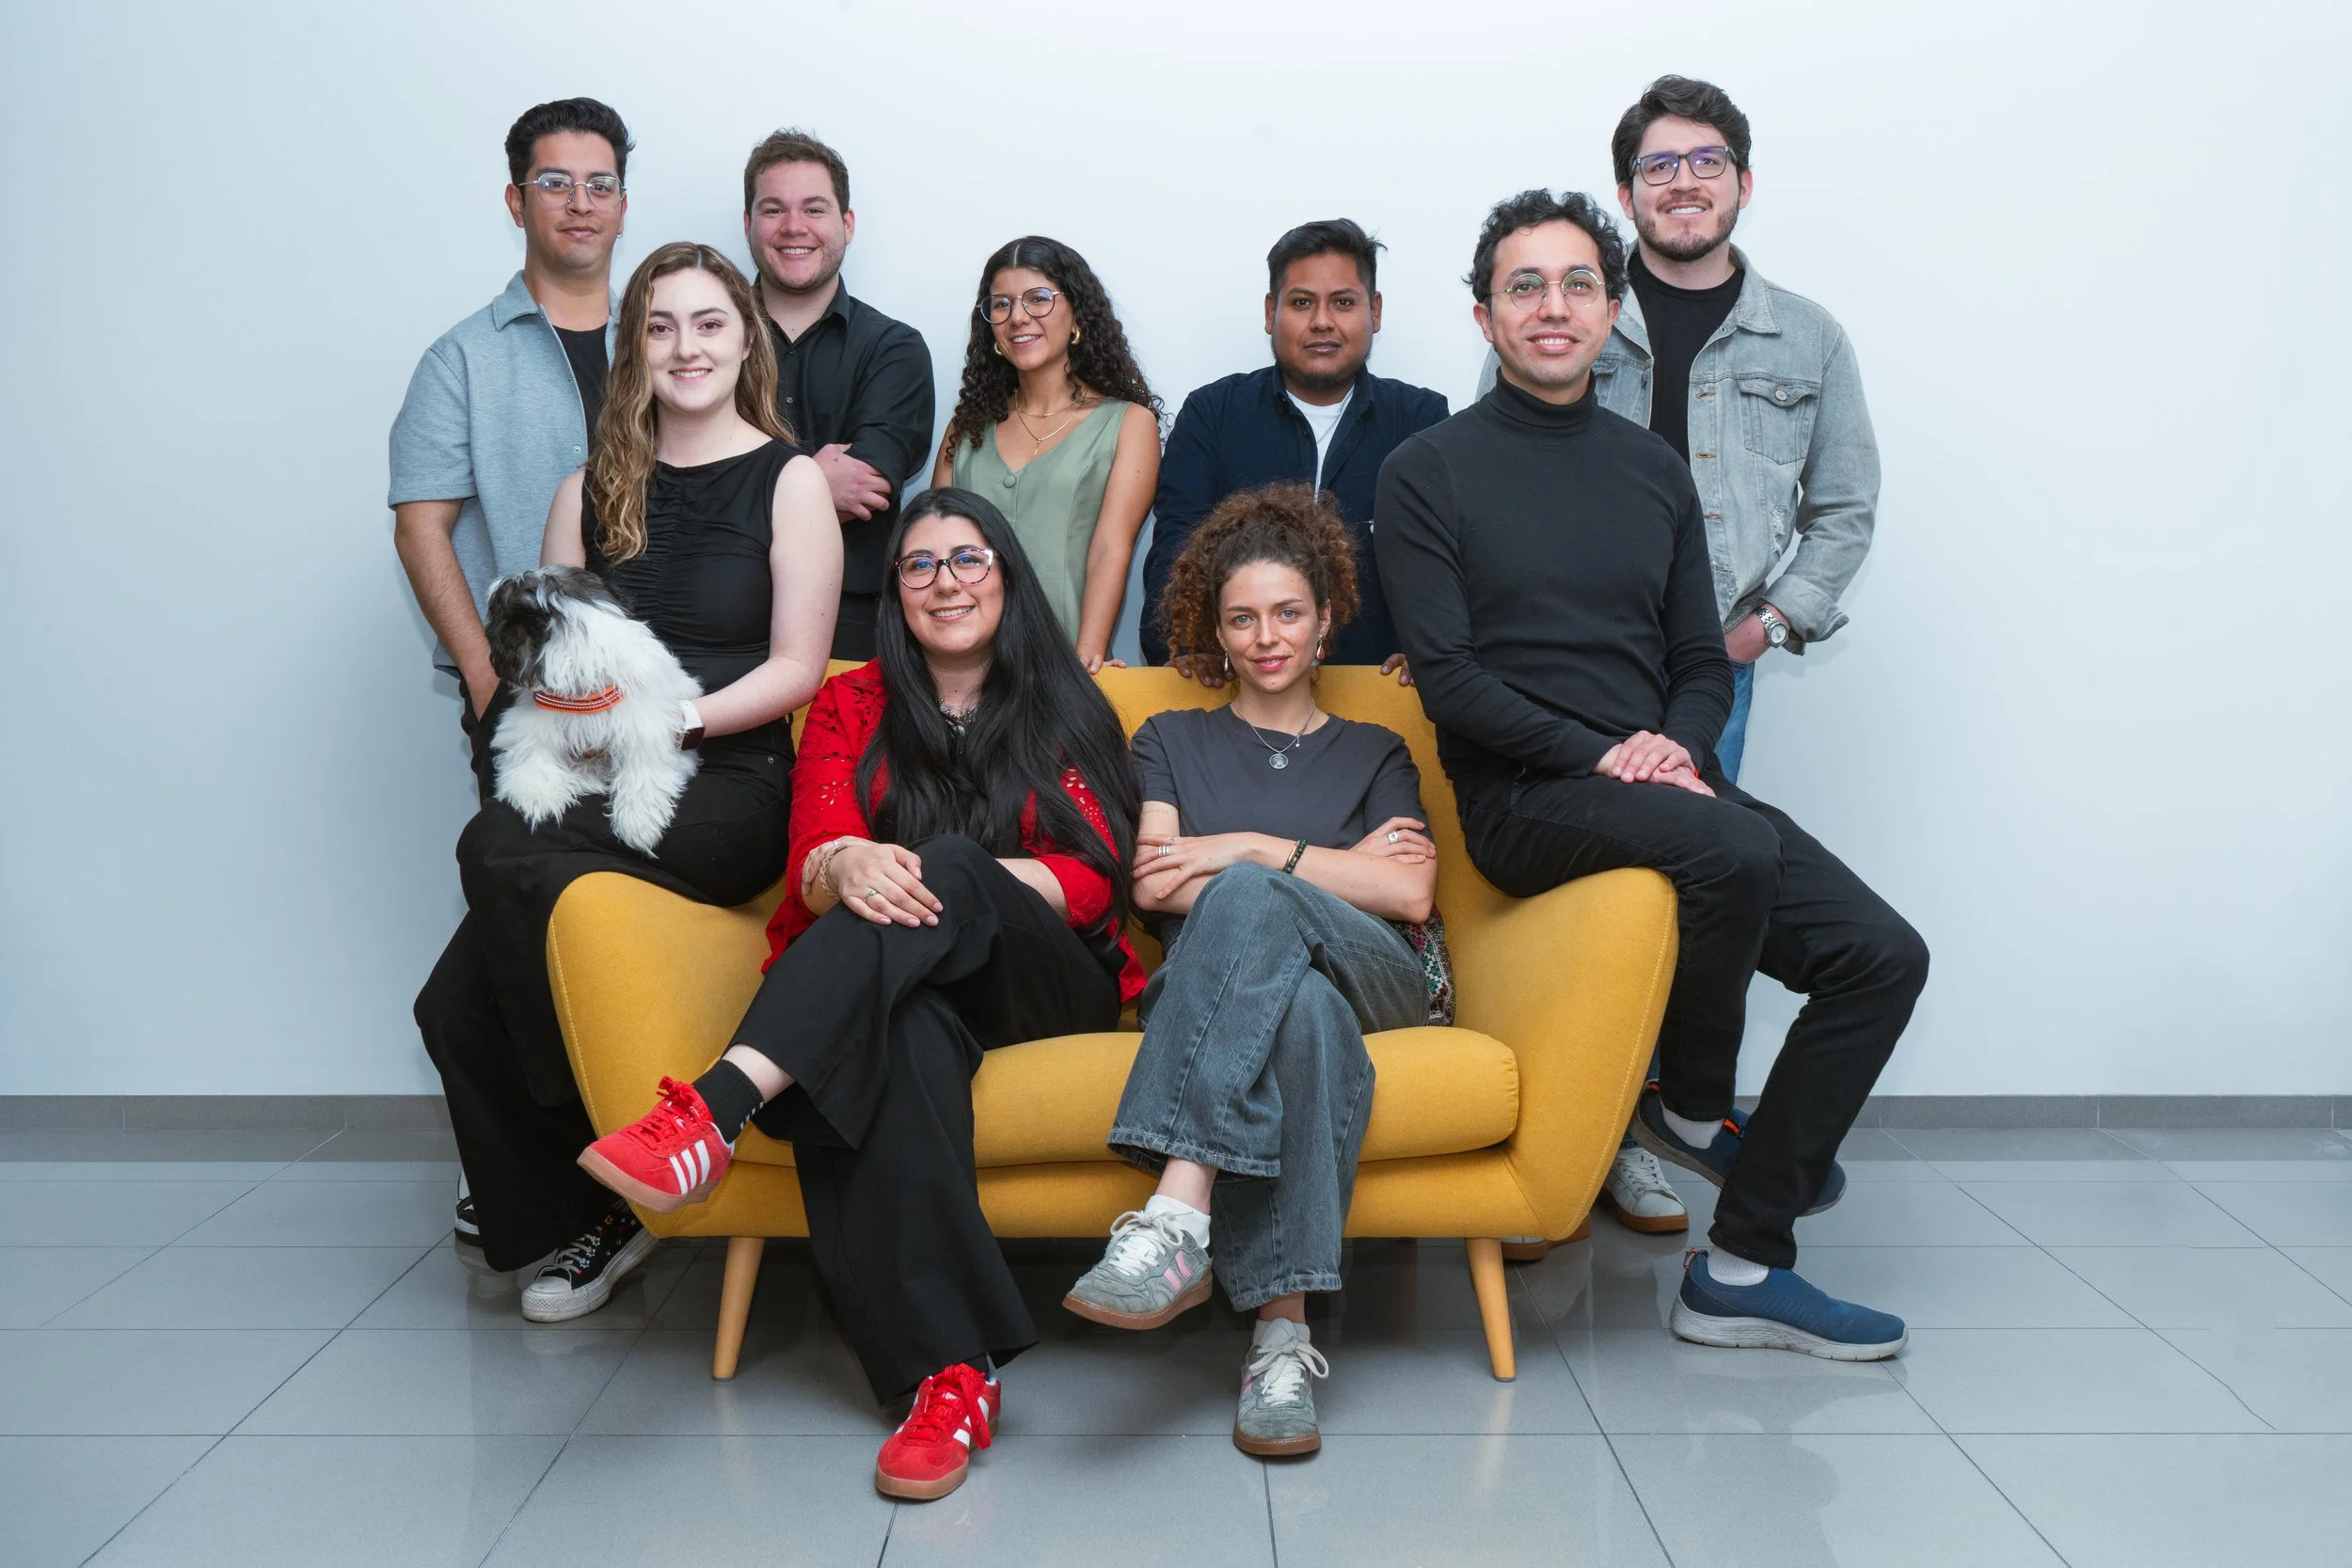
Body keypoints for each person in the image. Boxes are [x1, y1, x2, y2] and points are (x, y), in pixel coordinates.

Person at [1377, 190, 1927, 1360]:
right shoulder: (1426, 470)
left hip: (1661, 782)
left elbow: (1696, 659)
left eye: (1577, 282)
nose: (1553, 305)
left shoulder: (1652, 472)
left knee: (1882, 957)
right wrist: (1600, 752)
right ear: (1483, 316)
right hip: (1524, 797)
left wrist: (1668, 746)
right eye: (1524, 285)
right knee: (1728, 844)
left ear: (1611, 309)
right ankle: (1690, 1094)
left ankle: (1739, 1265)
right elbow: (1452, 678)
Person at [577, 489, 1143, 1501]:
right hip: (903, 980)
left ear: (1006, 574)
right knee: (904, 1033)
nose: (944, 582)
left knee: (958, 867)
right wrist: (849, 867)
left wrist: (929, 870)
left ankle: (716, 1107)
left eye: (967, 558)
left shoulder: (1068, 700)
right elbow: (816, 850)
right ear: (898, 594)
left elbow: (1096, 877)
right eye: (920, 565)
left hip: (1044, 979)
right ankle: (950, 1377)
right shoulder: (847, 702)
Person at [414, 243, 838, 1322]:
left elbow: (797, 667)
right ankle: (589, 1209)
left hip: (725, 785)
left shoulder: (792, 481)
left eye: (707, 323)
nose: (685, 346)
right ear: (632, 350)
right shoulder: (585, 489)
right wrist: (576, 729)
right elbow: (540, 656)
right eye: (658, 325)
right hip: (587, 772)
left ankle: (598, 1180)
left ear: (746, 338)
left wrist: (669, 716)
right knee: (451, 1002)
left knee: (486, 845)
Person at [1063, 484, 1439, 1458]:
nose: (1266, 636)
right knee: (1299, 1007)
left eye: (1287, 613)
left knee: (1242, 890)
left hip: (1384, 981)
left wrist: (1243, 846)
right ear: (1215, 631)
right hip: (1274, 995)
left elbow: (1407, 898)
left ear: (1323, 623)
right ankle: (1281, 1338)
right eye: (1242, 618)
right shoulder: (1170, 738)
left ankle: (1174, 1212)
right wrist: (1327, 866)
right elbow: (1152, 883)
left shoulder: (1375, 745)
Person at [1478, 75, 1881, 783]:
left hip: (1714, 668)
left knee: (1700, 867)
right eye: (1658, 165)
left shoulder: (1809, 340)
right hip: (1554, 662)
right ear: (1628, 194)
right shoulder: (1555, 316)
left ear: (1744, 184)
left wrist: (1758, 634)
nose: (1684, 182)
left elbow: (1845, 511)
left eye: (1708, 161)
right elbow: (1484, 472)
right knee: (1571, 863)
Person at [389, 96, 632, 1248]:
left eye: (597, 182)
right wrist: (491, 681)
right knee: (530, 953)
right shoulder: (464, 358)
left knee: (616, 939)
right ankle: (556, 1185)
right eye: (555, 182)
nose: (578, 203)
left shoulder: (673, 327)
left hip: (671, 706)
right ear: (515, 199)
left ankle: (600, 1176)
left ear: (621, 201)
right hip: (528, 707)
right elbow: (424, 526)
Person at [1140, 220, 1447, 676]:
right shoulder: (1213, 414)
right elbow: (1176, 550)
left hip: (1379, 689)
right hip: (1233, 690)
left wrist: (1431, 652)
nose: (1322, 322)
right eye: (1302, 303)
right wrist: (1185, 646)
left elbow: (1440, 567)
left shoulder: (1420, 420)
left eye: (1343, 303)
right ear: (1271, 312)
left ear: (1375, 311)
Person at [742, 129, 936, 661]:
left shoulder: (894, 349)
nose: (794, 227)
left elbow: (864, 490)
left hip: (852, 628)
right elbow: (670, 484)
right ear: (749, 224)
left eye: (814, 209)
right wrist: (813, 479)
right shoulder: (702, 343)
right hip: (716, 614)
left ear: (846, 225)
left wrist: (732, 496)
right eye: (774, 210)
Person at [930, 237, 1160, 670]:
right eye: (1001, 305)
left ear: (1077, 314)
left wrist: (1087, 657)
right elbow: (933, 544)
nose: (1018, 317)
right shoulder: (964, 430)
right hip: (961, 667)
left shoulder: (1128, 424)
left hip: (1066, 667)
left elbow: (1112, 547)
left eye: (1038, 299)